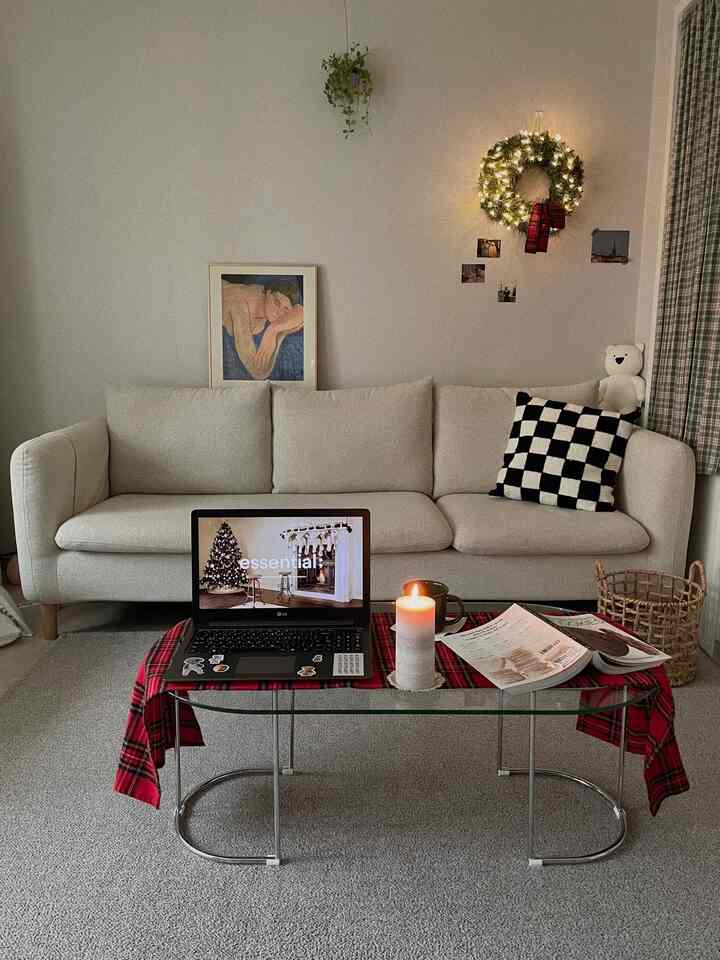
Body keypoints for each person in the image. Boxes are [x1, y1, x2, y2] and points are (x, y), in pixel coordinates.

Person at [222, 278, 304, 380]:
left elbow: (264, 371)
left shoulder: (263, 303)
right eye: (277, 303)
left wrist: (281, 331)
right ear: (268, 293)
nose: (279, 313)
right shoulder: (240, 304)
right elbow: (257, 371)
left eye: (285, 311)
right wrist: (273, 330)